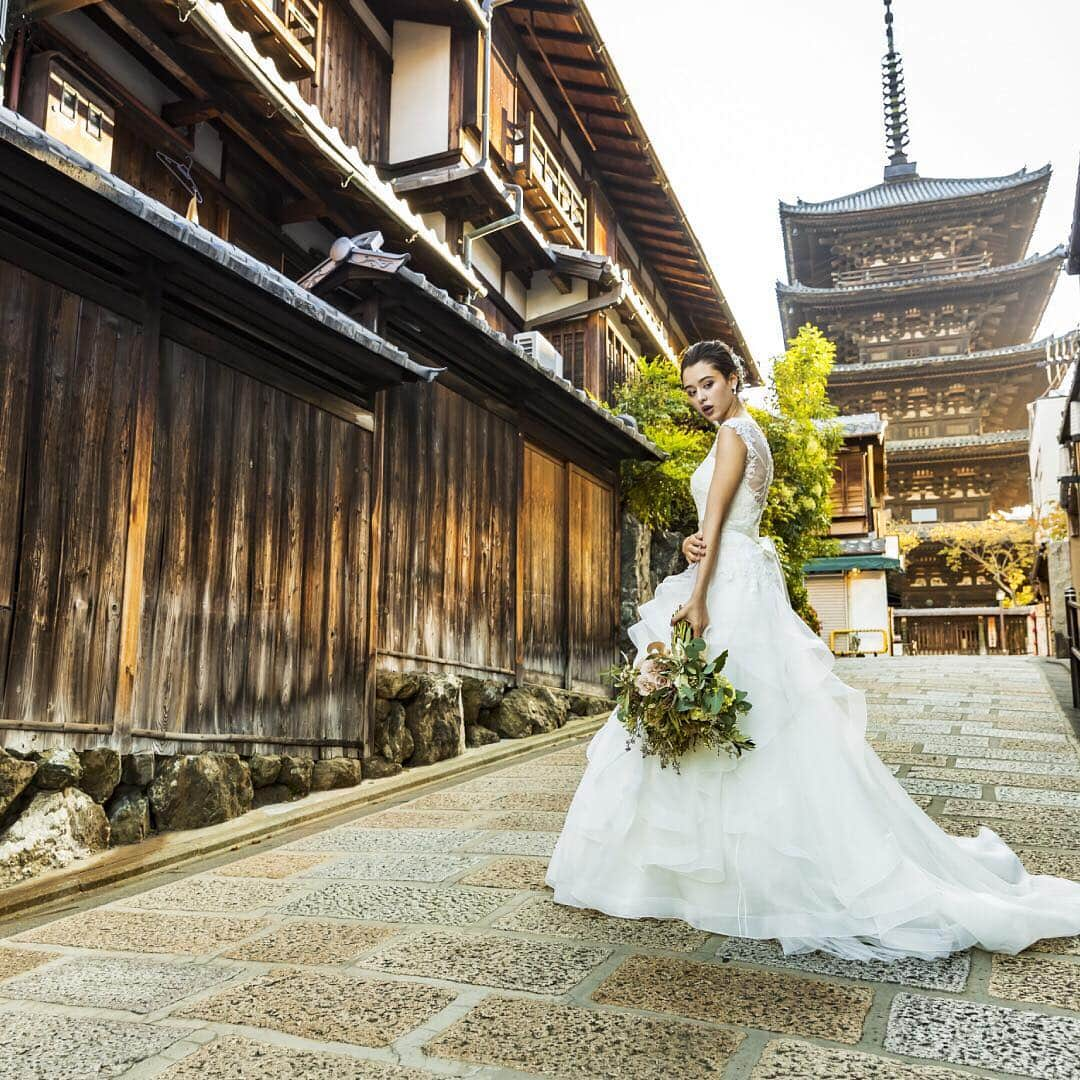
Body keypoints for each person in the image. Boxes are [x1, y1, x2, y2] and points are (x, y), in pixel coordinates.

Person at [545, 339, 1080, 961]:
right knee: (752, 717)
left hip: (725, 582)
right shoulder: (754, 436)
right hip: (741, 570)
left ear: (733, 379)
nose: (699, 399)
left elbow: (717, 521)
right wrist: (700, 546)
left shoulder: (731, 437)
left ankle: (711, 870)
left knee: (718, 711)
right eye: (691, 391)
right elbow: (725, 520)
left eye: (708, 385)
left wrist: (698, 592)